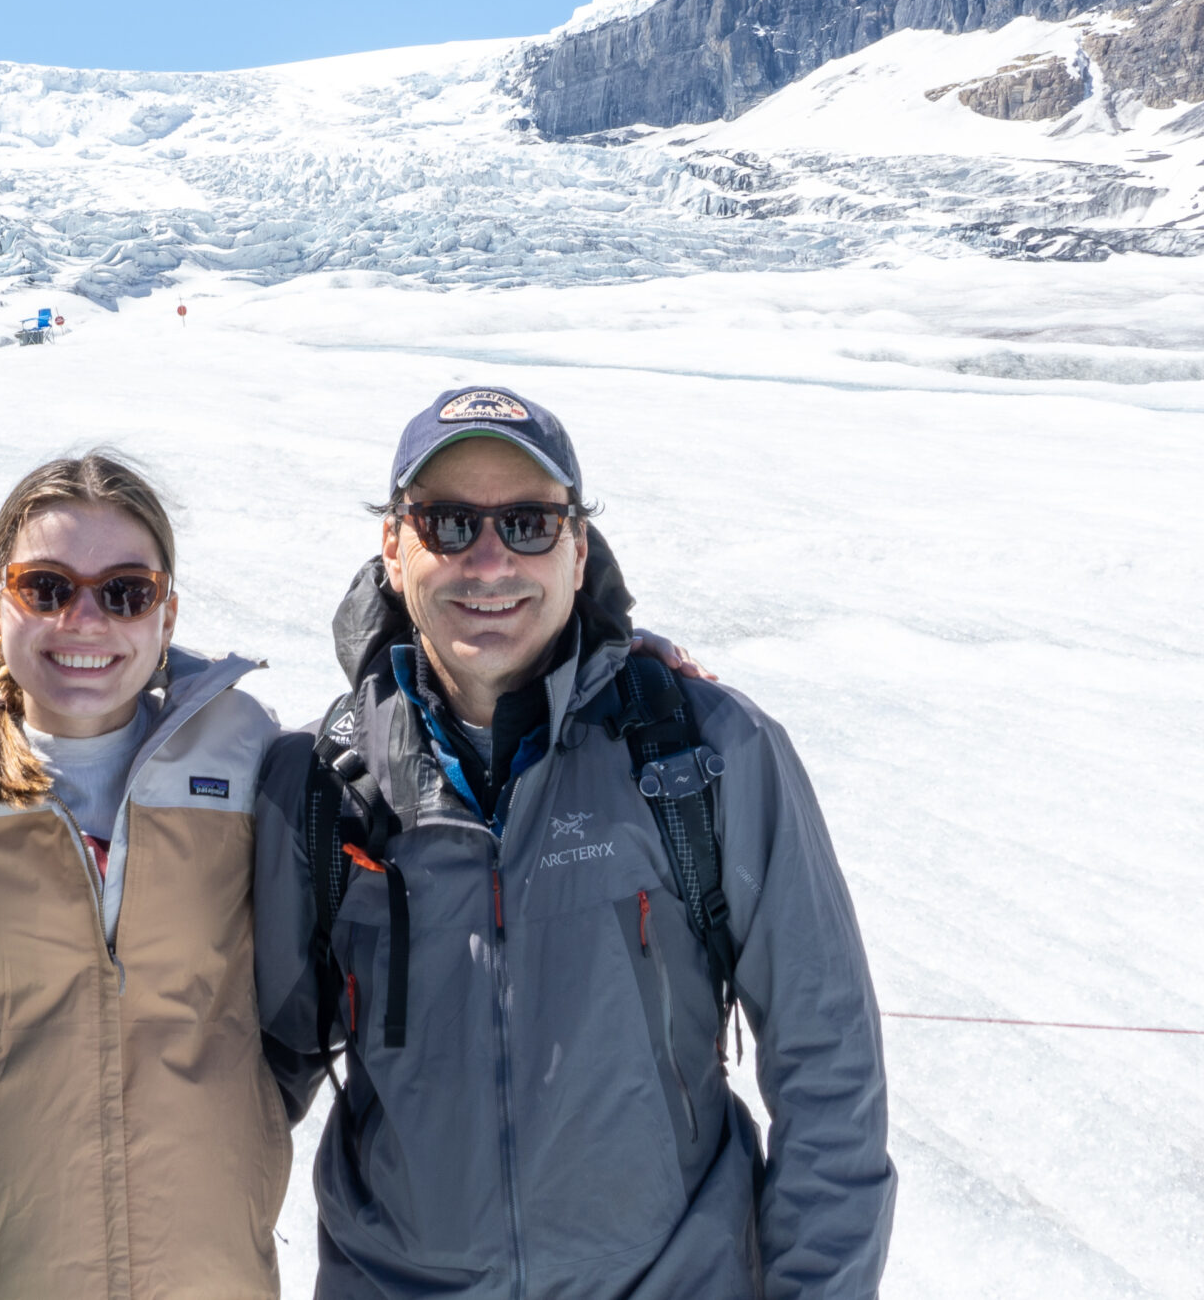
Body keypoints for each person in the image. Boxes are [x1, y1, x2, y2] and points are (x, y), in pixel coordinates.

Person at [255, 385, 895, 1300]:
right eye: (446, 522)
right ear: (393, 548)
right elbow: (244, 1095)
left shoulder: (704, 753)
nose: (488, 561)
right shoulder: (325, 789)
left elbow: (829, 1066)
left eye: (527, 522)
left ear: (577, 546)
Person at [0, 453, 292, 1300]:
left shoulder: (248, 755)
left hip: (211, 1275)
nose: (87, 620)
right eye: (48, 587)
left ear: (166, 613)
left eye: (126, 591)